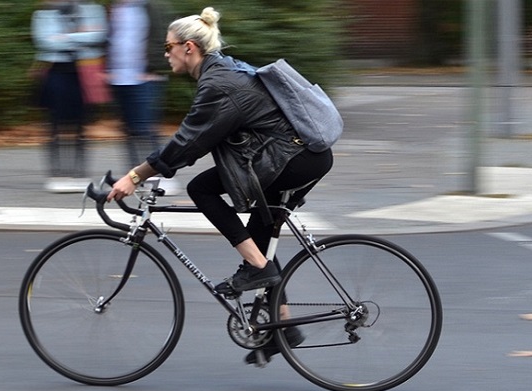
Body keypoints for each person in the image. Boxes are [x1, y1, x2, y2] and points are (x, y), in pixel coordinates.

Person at [104, 6, 333, 364]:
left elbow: (188, 142)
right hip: (296, 156)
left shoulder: (218, 85)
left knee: (202, 189)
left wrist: (135, 176)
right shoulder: (222, 72)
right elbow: (199, 139)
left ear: (189, 47)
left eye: (168, 47)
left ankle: (259, 269)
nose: (165, 54)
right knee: (259, 236)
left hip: (291, 159)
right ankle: (284, 328)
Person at [31, 0, 107, 193]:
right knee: (54, 126)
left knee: (81, 125)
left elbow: (99, 36)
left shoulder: (93, 10)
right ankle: (57, 173)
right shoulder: (43, 14)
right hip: (55, 72)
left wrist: (63, 37)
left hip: (84, 71)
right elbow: (44, 41)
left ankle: (79, 173)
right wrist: (81, 37)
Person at [106, 0, 172, 176]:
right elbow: (110, 39)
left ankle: (161, 173)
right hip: (119, 77)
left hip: (145, 77)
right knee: (128, 130)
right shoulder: (114, 8)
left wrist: (154, 68)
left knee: (147, 129)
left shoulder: (151, 6)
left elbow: (164, 37)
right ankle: (135, 175)